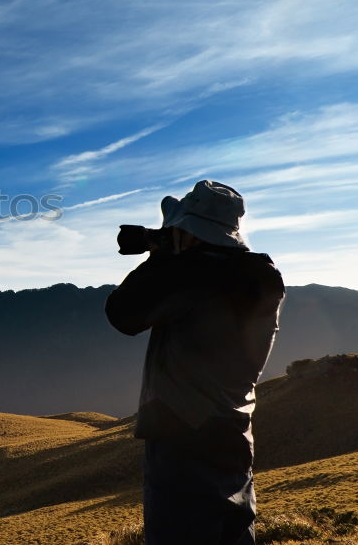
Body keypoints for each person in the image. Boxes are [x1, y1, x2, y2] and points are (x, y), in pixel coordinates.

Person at [105, 180, 285, 545]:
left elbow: (122, 313)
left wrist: (161, 255)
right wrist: (179, 248)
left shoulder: (191, 274)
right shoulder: (263, 275)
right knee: (232, 531)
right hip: (234, 429)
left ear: (192, 230)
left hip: (180, 434)